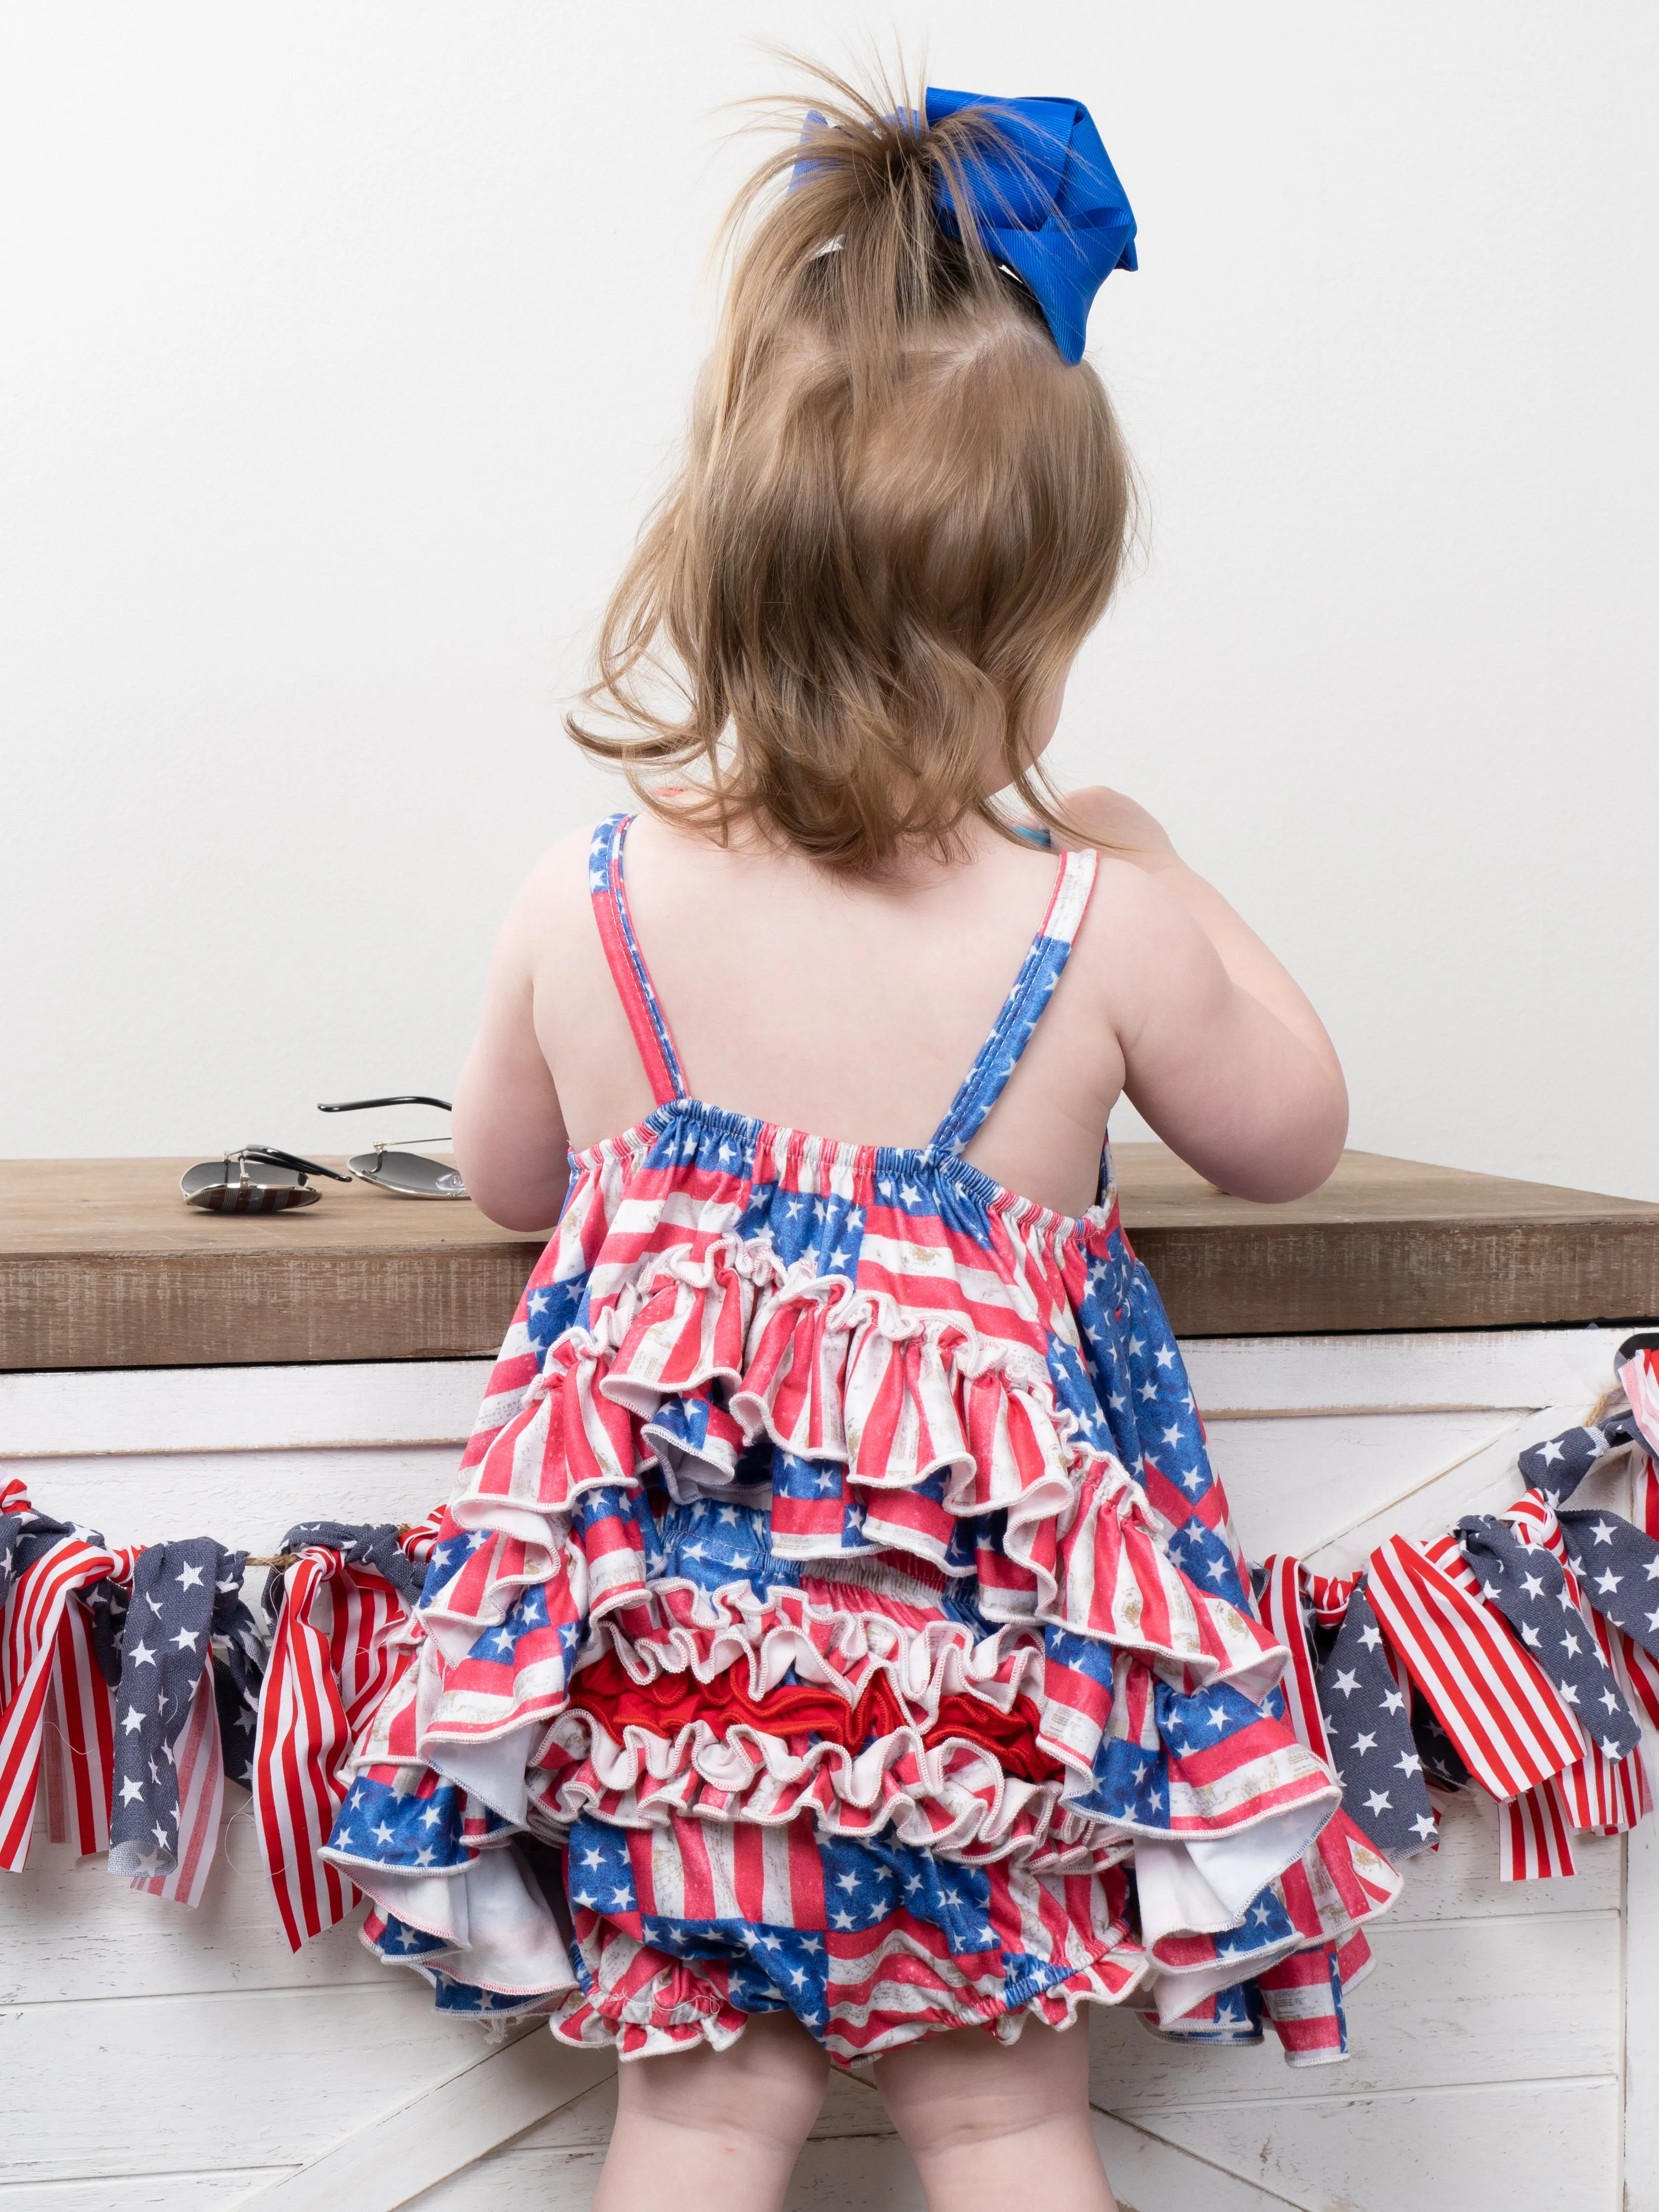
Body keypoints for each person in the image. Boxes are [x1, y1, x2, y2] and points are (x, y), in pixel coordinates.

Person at [324, 67, 1398, 2212]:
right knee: (1002, 2118)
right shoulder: (1088, 913)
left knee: (695, 2111)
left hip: (676, 1685)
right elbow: (1291, 1128)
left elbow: (514, 1177)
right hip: (975, 1690)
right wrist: (1158, 855)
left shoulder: (590, 893)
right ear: (1043, 615)